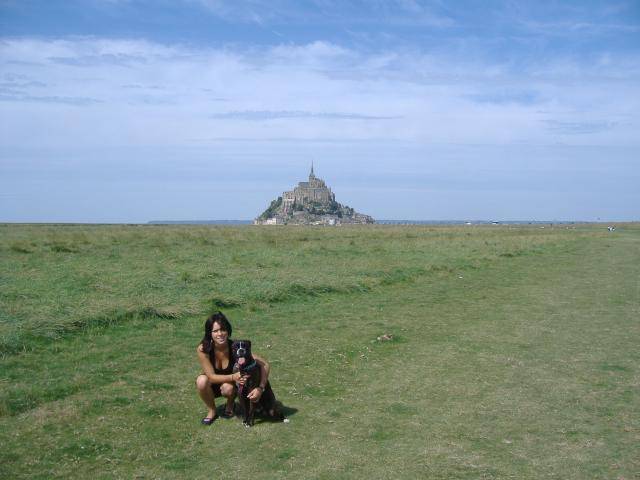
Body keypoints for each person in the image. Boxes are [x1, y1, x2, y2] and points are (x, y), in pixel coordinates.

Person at [195, 311, 271, 425]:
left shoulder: (236, 347)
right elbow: (210, 377)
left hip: (230, 386)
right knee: (201, 381)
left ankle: (230, 404)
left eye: (223, 329)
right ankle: (212, 410)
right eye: (215, 331)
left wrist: (260, 388)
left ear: (228, 330)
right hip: (213, 383)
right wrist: (234, 376)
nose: (220, 334)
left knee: (228, 388)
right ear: (209, 333)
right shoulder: (203, 349)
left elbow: (265, 364)